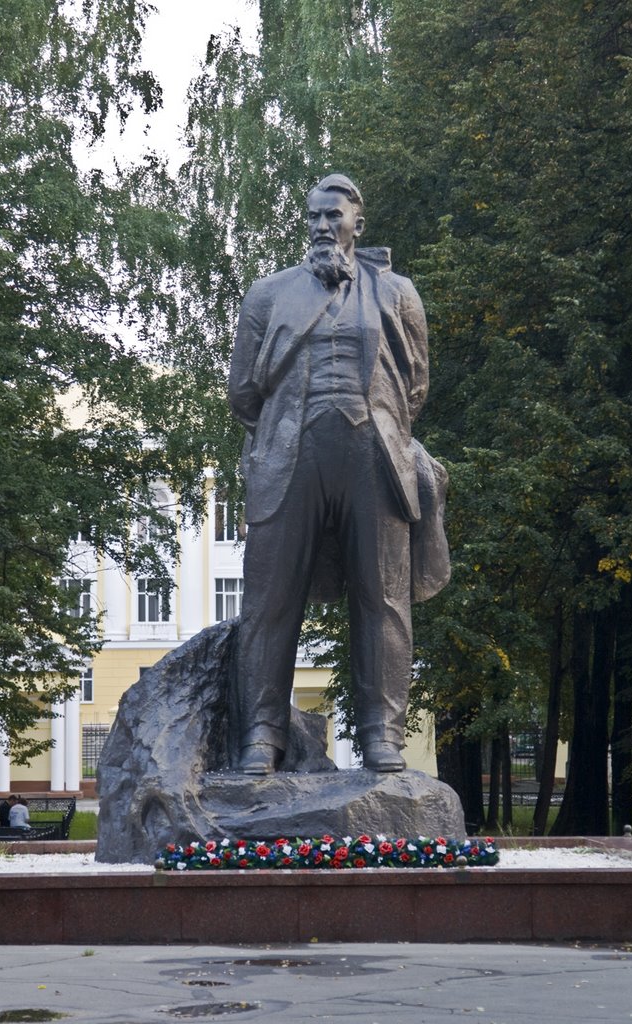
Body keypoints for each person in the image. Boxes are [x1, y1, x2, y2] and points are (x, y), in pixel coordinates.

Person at [228, 173, 450, 776]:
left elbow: (416, 385)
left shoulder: (397, 293)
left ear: (358, 222)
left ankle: (382, 735)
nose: (323, 226)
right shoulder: (268, 294)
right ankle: (262, 735)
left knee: (384, 599)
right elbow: (243, 392)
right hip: (289, 456)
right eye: (314, 216)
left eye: (334, 215)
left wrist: (377, 423)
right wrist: (285, 429)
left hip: (372, 457)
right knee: (270, 600)